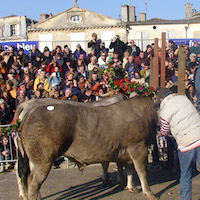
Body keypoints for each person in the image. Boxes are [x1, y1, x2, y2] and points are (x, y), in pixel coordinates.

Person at [157, 88, 200, 200]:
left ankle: (185, 198)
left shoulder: (164, 110)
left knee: (186, 175)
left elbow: (165, 130)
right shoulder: (184, 98)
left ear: (161, 99)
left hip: (186, 144)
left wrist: (161, 133)